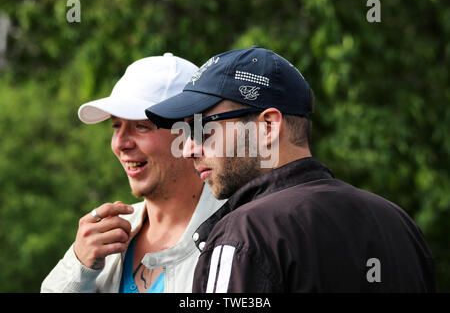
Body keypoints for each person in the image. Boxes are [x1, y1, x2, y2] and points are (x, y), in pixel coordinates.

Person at [145, 47, 436, 292]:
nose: (188, 149)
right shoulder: (398, 223)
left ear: (267, 126)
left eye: (202, 129)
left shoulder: (243, 235)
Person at [41, 53, 225, 293]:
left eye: (141, 126)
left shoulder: (237, 232)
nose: (120, 143)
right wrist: (79, 268)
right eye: (116, 125)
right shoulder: (103, 237)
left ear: (191, 133)